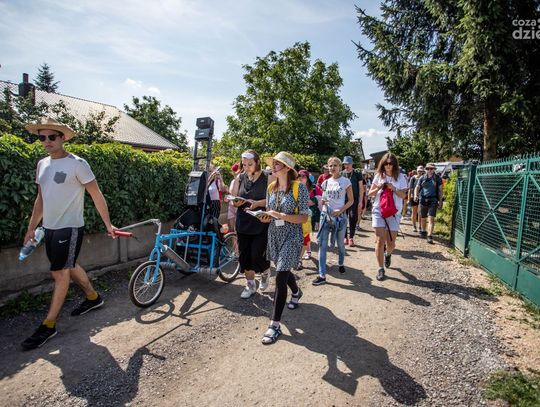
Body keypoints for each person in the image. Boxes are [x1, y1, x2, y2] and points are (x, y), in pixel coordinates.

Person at [21, 117, 117, 350]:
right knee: (68, 264)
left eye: (52, 136)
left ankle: (49, 325)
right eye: (42, 137)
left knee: (60, 272)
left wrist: (108, 224)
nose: (47, 141)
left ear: (62, 138)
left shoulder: (77, 164)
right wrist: (31, 228)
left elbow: (96, 195)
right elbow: (40, 199)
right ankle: (93, 298)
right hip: (49, 228)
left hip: (70, 227)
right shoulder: (42, 164)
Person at [259, 152, 309, 344]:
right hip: (274, 234)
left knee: (280, 275)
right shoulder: (271, 187)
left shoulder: (299, 188)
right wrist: (264, 217)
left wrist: (281, 215)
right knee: (283, 268)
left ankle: (274, 325)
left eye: (277, 164)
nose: (273, 167)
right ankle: (296, 292)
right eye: (273, 163)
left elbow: (303, 217)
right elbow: (270, 213)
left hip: (291, 235)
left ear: (287, 168)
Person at [229, 150, 270, 296]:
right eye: (244, 164)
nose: (246, 167)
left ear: (257, 162)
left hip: (261, 221)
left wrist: (257, 203)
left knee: (256, 255)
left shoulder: (267, 177)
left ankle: (265, 271)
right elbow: (233, 197)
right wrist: (235, 202)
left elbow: (273, 199)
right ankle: (250, 285)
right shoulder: (240, 177)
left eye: (250, 164)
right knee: (244, 256)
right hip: (243, 221)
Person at [313, 157, 353, 286]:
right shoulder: (325, 182)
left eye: (335, 165)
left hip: (340, 218)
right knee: (322, 245)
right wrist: (323, 202)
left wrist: (340, 210)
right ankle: (322, 275)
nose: (332, 168)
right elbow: (324, 198)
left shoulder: (346, 181)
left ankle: (341, 263)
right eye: (330, 165)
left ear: (340, 167)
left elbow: (351, 200)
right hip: (326, 216)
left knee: (340, 245)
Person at [369, 153, 408, 281]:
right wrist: (379, 187)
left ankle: (388, 254)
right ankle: (380, 268)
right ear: (382, 164)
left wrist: (393, 188)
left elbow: (403, 196)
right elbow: (370, 193)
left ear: (394, 165)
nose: (388, 166)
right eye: (386, 163)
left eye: (391, 163)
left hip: (394, 212)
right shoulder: (378, 176)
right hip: (379, 210)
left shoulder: (401, 177)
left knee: (391, 243)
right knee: (379, 240)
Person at [414, 162, 443, 244]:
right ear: (425, 169)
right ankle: (423, 230)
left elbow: (440, 191)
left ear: (434, 169)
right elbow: (417, 187)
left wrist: (440, 201)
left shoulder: (438, 178)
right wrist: (415, 195)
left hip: (433, 200)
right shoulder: (422, 178)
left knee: (431, 218)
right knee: (423, 217)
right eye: (428, 169)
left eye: (431, 169)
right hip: (423, 199)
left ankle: (429, 236)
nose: (429, 170)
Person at [341, 156, 364, 246]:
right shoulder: (341, 173)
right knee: (343, 218)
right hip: (343, 199)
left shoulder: (357, 173)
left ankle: (351, 237)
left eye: (348, 164)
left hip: (354, 199)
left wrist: (361, 201)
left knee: (352, 217)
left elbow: (361, 188)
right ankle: (344, 237)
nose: (346, 166)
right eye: (345, 164)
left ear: (352, 164)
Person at [297, 169, 314, 266]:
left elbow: (319, 198)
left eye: (303, 176)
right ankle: (308, 251)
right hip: (294, 216)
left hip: (305, 216)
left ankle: (299, 259)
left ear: (307, 178)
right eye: (299, 176)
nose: (301, 178)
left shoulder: (312, 189)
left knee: (305, 237)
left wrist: (312, 202)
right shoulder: (293, 187)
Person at [225, 162, 242, 233]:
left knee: (238, 228)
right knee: (231, 229)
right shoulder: (232, 181)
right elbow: (231, 193)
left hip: (238, 206)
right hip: (231, 205)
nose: (233, 173)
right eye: (233, 171)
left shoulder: (242, 181)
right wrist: (227, 196)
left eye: (234, 171)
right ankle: (233, 240)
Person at [408, 166, 424, 232]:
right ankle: (414, 226)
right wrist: (409, 199)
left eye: (421, 171)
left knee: (420, 213)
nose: (420, 172)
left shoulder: (424, 178)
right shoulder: (413, 178)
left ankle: (420, 226)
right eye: (419, 171)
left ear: (423, 171)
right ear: (417, 171)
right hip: (413, 197)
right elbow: (410, 189)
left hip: (422, 197)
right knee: (414, 212)